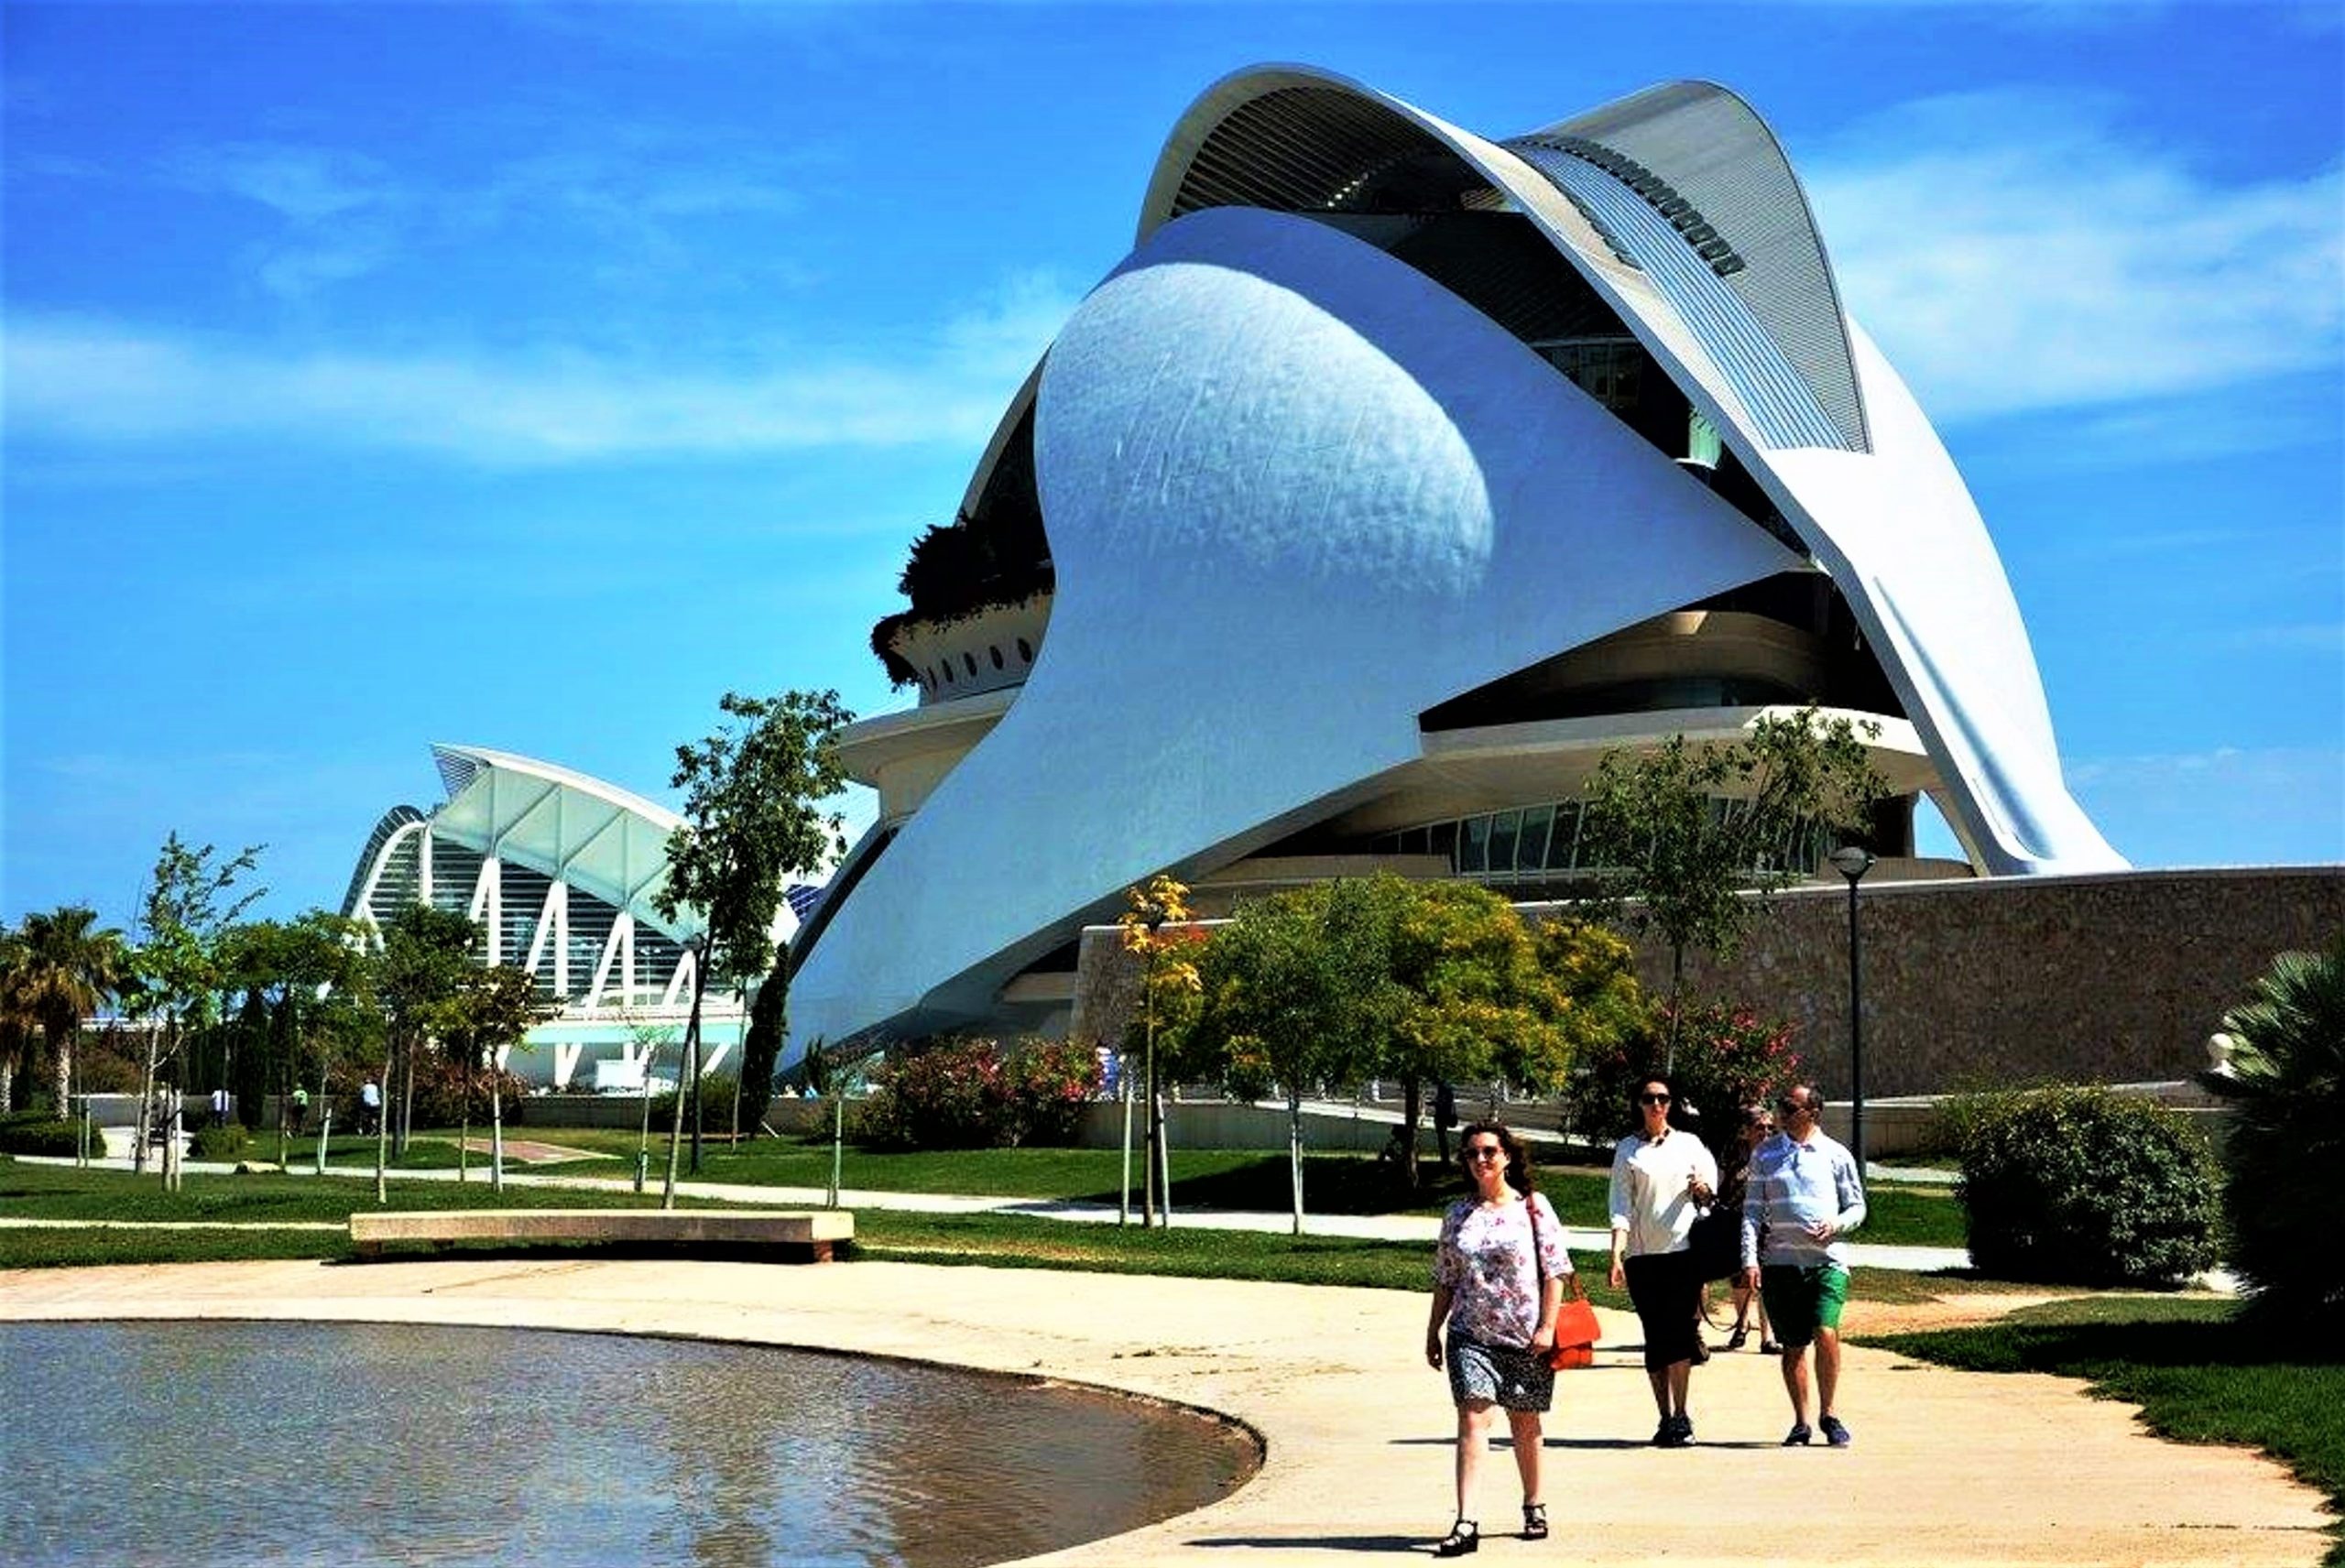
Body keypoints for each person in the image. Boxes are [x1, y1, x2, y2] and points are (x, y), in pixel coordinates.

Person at [1424, 1120, 1566, 1557]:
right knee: (1473, 1418)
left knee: (1525, 1423)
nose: (1480, 1159)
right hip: (1469, 1334)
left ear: (1507, 1156)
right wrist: (1433, 1330)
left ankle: (1534, 1503)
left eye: (1489, 1151)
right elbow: (1446, 1277)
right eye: (1471, 1153)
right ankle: (1466, 1521)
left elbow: (1556, 1271)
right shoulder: (1457, 1213)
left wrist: (1547, 1326)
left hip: (1525, 1337)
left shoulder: (1533, 1207)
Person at [1740, 1081, 1867, 1447]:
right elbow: (1751, 1212)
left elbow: (1857, 1206)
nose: (1781, 1112)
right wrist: (1750, 1259)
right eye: (1780, 1105)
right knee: (1793, 1345)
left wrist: (1836, 1225)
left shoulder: (1836, 1154)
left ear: (1813, 1112)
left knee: (1825, 1331)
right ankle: (1801, 1422)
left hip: (1827, 1262)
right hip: (1780, 1264)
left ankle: (1830, 1414)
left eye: (1790, 1107)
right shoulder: (1765, 1155)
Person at [1606, 1074, 1718, 1447]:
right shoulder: (1627, 1149)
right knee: (1655, 1337)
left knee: (1679, 1333)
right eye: (1648, 1098)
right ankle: (1664, 1417)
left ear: (1671, 1103)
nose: (1656, 1104)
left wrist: (1702, 1189)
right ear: (1638, 1103)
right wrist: (1617, 1254)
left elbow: (1710, 1192)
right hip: (1642, 1258)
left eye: (1663, 1098)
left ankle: (1682, 1416)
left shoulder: (1690, 1144)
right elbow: (1621, 1205)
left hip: (1683, 1254)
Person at [1720, 1104, 1780, 1354]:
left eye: (1769, 1127)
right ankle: (1742, 1325)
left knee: (1766, 1278)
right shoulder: (1734, 1153)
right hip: (1736, 1220)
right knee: (1739, 1277)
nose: (1765, 1132)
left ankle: (1768, 1337)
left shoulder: (1777, 1154)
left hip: (1769, 1222)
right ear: (1746, 1130)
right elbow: (1722, 1183)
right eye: (1759, 1127)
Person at [1434, 1081, 1458, 1165]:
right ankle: (1445, 1158)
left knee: (1442, 1138)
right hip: (1442, 1117)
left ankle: (1445, 1159)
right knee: (1442, 1138)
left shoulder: (1445, 1093)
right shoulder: (1448, 1093)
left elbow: (1443, 1104)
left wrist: (1435, 1103)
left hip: (1442, 1117)